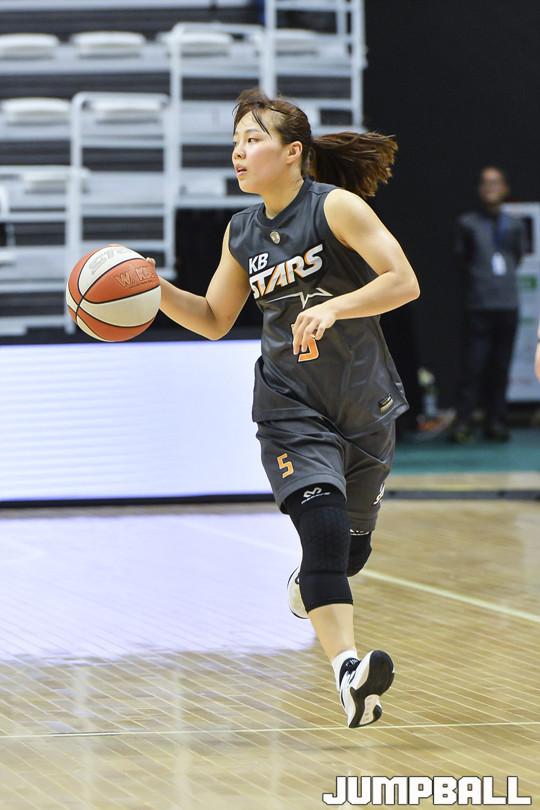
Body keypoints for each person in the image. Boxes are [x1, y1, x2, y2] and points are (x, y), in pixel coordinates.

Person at [154, 89, 419, 728]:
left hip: (363, 402)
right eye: (235, 142)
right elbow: (214, 318)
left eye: (253, 139)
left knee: (348, 553)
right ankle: (349, 673)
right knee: (322, 531)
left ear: (293, 152)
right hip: (288, 405)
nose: (239, 152)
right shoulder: (241, 231)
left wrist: (334, 306)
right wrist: (153, 290)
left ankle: (314, 582)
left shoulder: (335, 208)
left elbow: (403, 281)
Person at [450, 166, 527, 443]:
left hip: (507, 303)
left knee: (501, 366)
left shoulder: (515, 225)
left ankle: (496, 421)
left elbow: (518, 256)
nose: (491, 187)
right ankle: (464, 421)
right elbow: (463, 259)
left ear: (505, 188)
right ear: (480, 189)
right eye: (486, 183)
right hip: (479, 303)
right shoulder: (468, 223)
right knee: (473, 365)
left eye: (496, 182)